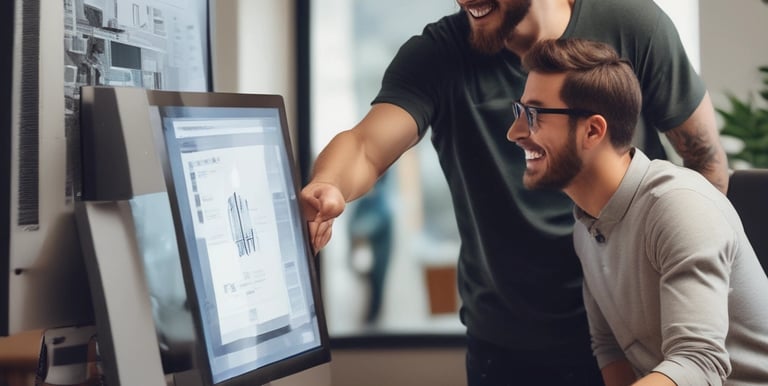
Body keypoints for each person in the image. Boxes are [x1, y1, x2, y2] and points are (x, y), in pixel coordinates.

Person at [301, 0, 730, 384]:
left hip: (635, 338)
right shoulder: (439, 54)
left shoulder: (632, 23)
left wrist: (698, 291)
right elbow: (365, 146)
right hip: (507, 347)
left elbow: (705, 160)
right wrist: (328, 185)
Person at [506, 37, 768, 385]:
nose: (514, 132)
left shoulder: (680, 207)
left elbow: (698, 363)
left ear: (593, 130)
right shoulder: (586, 223)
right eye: (519, 112)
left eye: (534, 115)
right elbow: (610, 347)